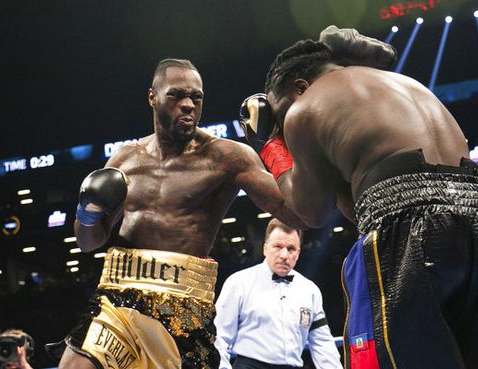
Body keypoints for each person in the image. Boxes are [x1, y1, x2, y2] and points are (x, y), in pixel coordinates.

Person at [240, 26, 478, 369]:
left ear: (299, 88)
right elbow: (362, 204)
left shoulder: (305, 108)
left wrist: (271, 143)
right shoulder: (401, 84)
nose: (284, 119)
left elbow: (310, 212)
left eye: (280, 109)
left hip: (409, 217)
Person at [55, 58, 305, 369]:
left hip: (182, 306)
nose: (188, 105)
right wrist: (87, 213)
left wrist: (272, 146)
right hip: (117, 298)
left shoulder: (226, 157)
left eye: (196, 98)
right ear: (153, 97)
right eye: (176, 95)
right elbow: (88, 243)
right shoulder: (125, 159)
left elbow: (295, 212)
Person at [214, 218, 342, 369]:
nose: (284, 255)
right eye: (278, 246)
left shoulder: (310, 290)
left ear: (298, 252)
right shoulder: (239, 283)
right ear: (265, 249)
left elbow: (323, 343)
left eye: (291, 248)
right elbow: (219, 337)